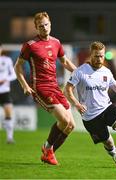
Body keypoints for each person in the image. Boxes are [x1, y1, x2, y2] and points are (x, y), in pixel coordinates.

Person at [65, 41, 116, 168]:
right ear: (91, 55)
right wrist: (76, 104)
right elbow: (67, 89)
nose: (99, 59)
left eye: (102, 56)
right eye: (96, 56)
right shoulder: (80, 71)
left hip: (106, 107)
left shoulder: (106, 72)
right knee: (109, 143)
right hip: (90, 116)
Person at [14, 11, 76, 165]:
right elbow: (18, 67)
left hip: (55, 86)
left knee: (71, 126)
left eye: (46, 24)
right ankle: (48, 149)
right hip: (40, 87)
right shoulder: (30, 45)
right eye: (40, 26)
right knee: (63, 120)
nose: (44, 28)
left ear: (50, 24)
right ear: (36, 28)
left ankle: (48, 152)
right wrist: (24, 85)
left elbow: (65, 62)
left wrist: (81, 73)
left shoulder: (56, 42)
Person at [0, 43, 16, 143]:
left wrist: (5, 79)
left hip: (5, 91)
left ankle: (9, 138)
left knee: (8, 112)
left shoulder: (7, 60)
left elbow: (13, 75)